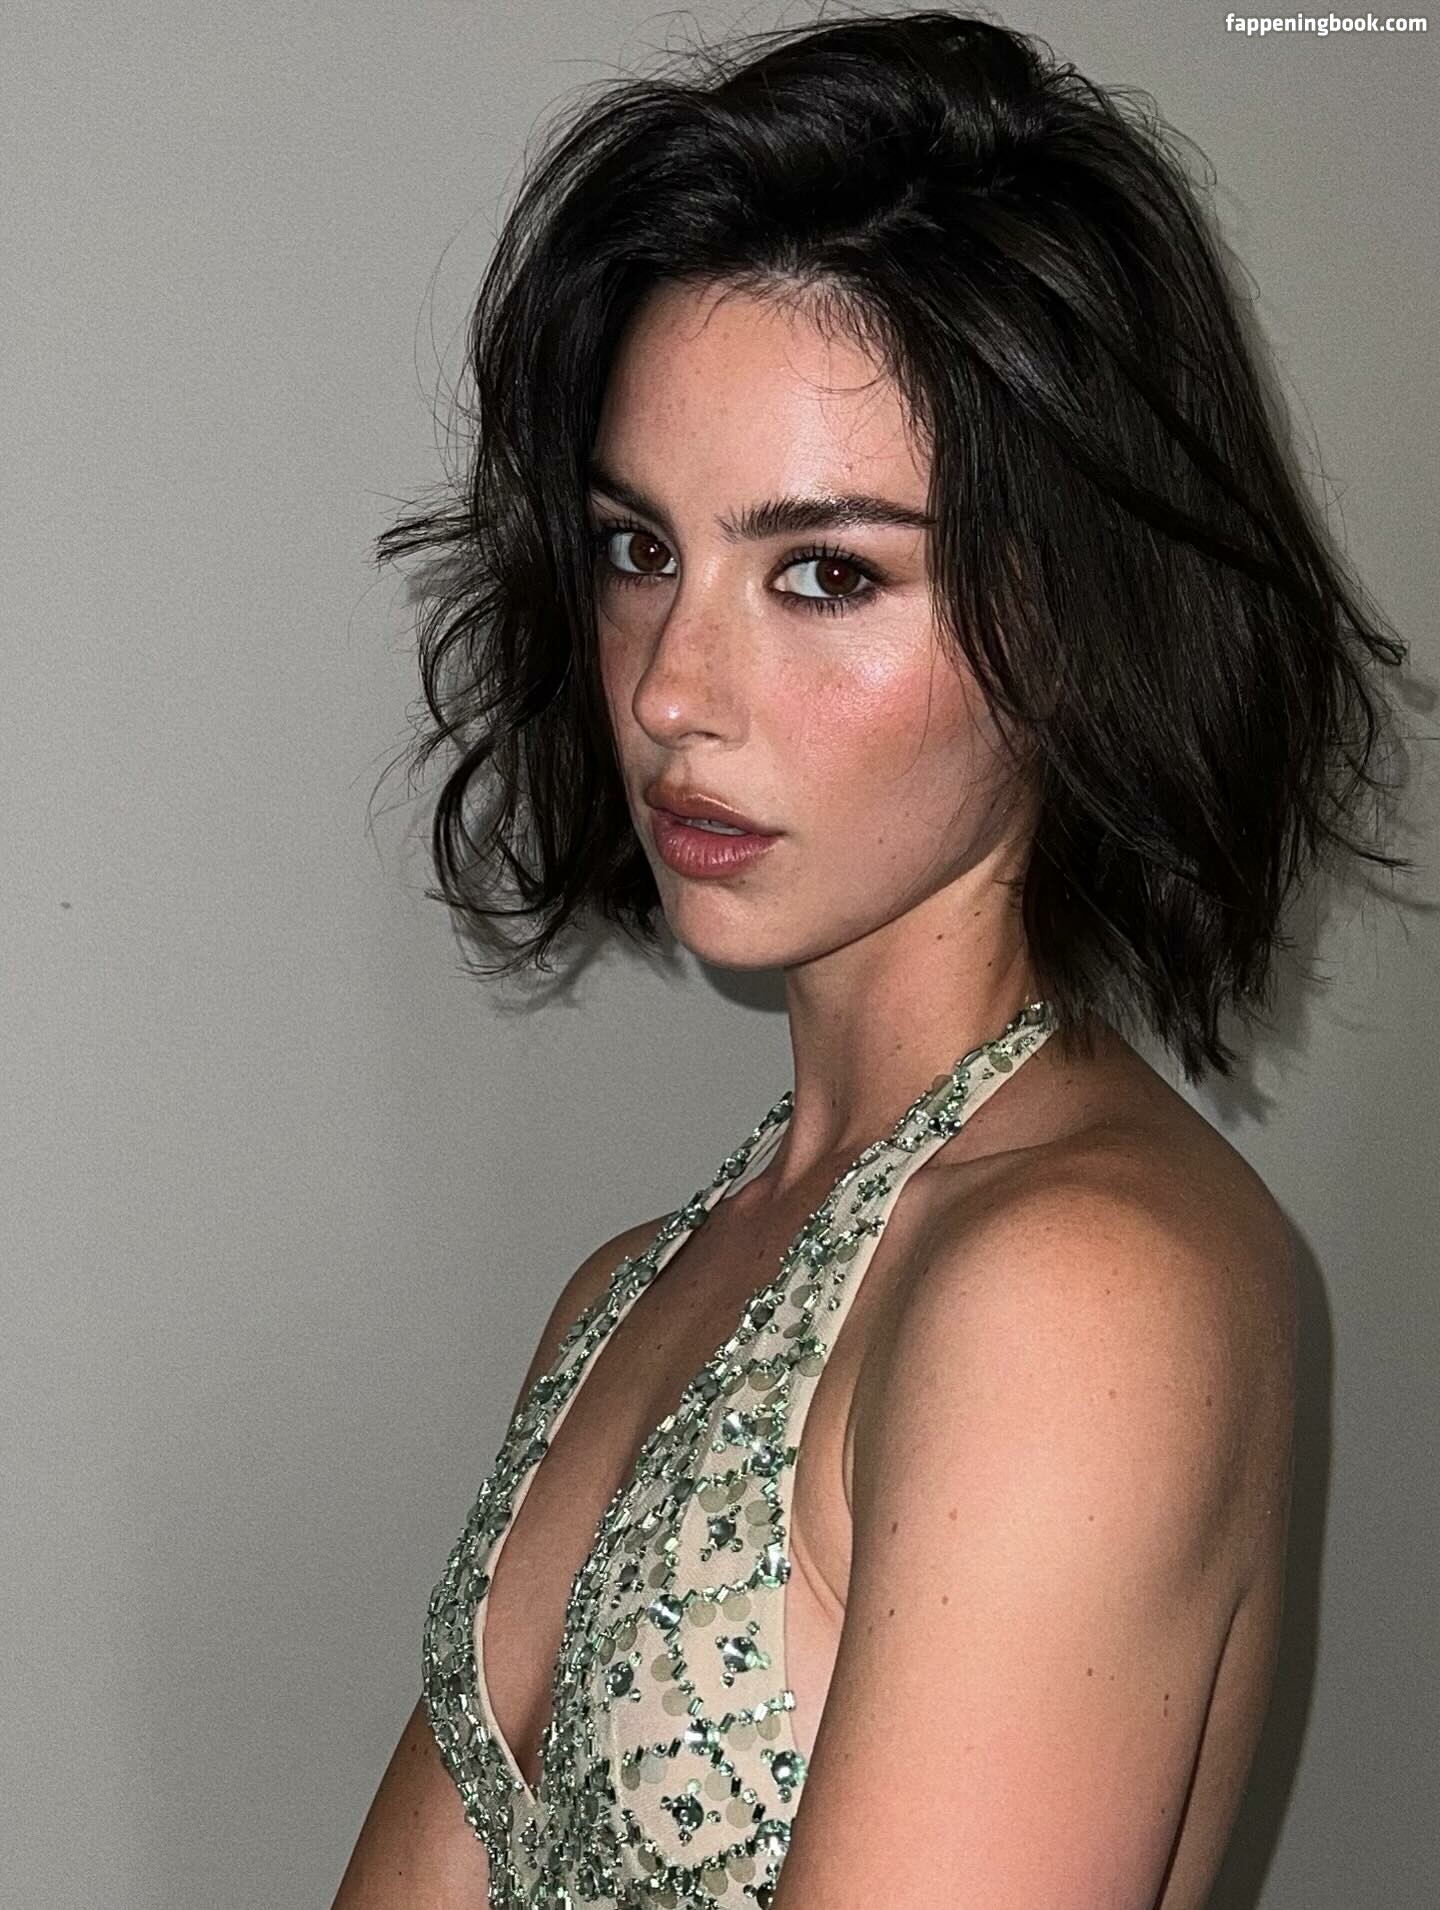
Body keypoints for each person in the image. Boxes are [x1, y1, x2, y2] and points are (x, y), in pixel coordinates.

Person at [332, 9, 1410, 1906]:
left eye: (826, 572)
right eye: (639, 548)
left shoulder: (1084, 1290)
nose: (673, 689)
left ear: (1069, 617)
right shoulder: (627, 1293)